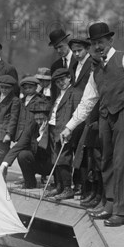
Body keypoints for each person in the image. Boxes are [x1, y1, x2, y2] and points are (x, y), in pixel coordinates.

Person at [61, 22, 124, 227]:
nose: (98, 46)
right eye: (94, 43)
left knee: (122, 161)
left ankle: (121, 211)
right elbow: (87, 102)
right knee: (106, 161)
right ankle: (110, 204)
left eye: (101, 42)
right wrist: (69, 127)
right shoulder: (95, 71)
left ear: (110, 41)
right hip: (106, 116)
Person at [43, 68, 82, 200]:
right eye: (57, 81)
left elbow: (78, 114)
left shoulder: (75, 93)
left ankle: (67, 188)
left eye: (63, 80)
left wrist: (70, 130)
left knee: (63, 158)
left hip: (64, 130)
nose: (60, 83)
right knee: (55, 159)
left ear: (69, 78)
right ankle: (59, 186)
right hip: (53, 128)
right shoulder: (59, 93)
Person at [0, 99, 52, 189]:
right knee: (23, 154)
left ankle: (59, 184)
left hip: (51, 164)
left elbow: (49, 150)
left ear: (47, 117)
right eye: (37, 119)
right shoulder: (32, 126)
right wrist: (4, 164)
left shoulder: (53, 127)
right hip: (38, 162)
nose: (39, 122)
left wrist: (42, 136)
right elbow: (19, 145)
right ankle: (30, 183)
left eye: (42, 119)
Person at [68, 37, 91, 195]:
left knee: (85, 149)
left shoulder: (93, 64)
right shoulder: (74, 64)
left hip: (88, 111)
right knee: (75, 146)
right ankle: (77, 184)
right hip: (75, 111)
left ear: (87, 49)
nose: (76, 54)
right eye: (74, 51)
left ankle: (86, 187)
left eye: (79, 50)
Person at [0, 75, 20, 164]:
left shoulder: (15, 100)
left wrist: (9, 134)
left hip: (3, 132)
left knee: (1, 153)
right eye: (2, 87)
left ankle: (1, 174)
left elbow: (14, 118)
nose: (4, 90)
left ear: (12, 88)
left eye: (7, 88)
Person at [49, 29, 77, 101]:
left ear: (67, 42)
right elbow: (54, 91)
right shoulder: (55, 66)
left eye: (60, 47)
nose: (58, 51)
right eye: (56, 48)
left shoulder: (78, 60)